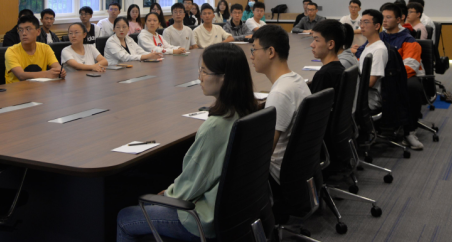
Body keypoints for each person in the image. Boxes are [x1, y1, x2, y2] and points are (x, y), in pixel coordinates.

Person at [115, 43, 259, 242]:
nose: (199, 77)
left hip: (201, 219)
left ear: (224, 78)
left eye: (204, 71)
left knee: (125, 217)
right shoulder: (248, 110)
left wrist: (168, 194)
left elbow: (192, 184)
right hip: (238, 210)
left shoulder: (215, 127)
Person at [357, 2, 425, 150]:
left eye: (388, 17)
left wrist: (389, 76)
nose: (385, 20)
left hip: (404, 75)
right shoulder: (378, 37)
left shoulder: (408, 40)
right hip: (384, 77)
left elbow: (409, 67)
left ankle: (410, 130)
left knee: (411, 87)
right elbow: (360, 53)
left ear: (399, 19)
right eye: (383, 17)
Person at [251, 25, 310, 183]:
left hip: (276, 174)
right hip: (301, 168)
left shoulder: (280, 93)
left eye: (254, 50)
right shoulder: (296, 79)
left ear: (271, 52)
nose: (251, 56)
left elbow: (265, 152)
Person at [4, 14, 66, 83]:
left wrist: (60, 72)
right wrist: (46, 74)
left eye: (28, 29)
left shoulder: (45, 48)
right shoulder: (11, 51)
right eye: (20, 30)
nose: (24, 33)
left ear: (38, 32)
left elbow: (57, 66)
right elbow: (21, 75)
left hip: (39, 87)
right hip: (16, 88)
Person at [357, 9, 388, 110]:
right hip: (361, 93)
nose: (362, 26)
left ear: (377, 26)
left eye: (366, 22)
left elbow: (370, 82)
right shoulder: (369, 45)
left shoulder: (379, 49)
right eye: (361, 22)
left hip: (369, 98)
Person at [308, 20, 346, 94]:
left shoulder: (324, 75)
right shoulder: (340, 68)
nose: (311, 45)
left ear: (330, 44)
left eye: (316, 40)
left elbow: (314, 101)